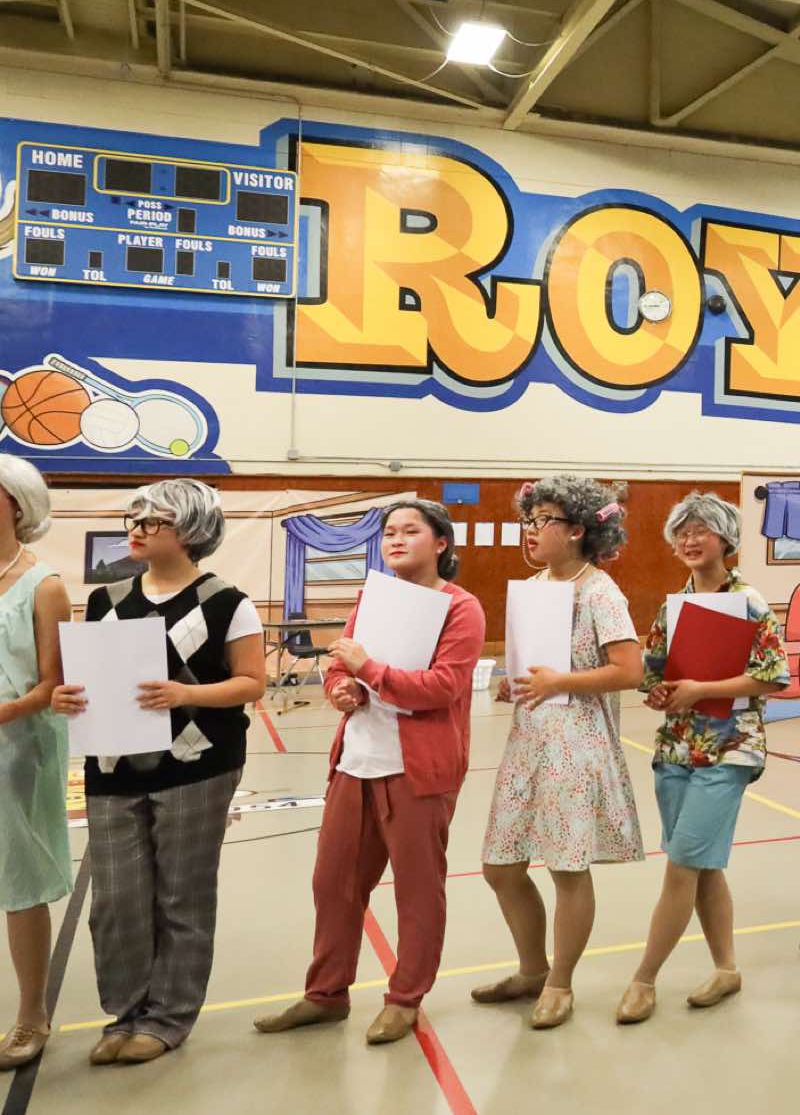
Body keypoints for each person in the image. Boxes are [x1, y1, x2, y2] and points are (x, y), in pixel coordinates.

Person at [254, 501, 483, 1046]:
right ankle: (325, 995)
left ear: (441, 543)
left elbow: (442, 688)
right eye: (389, 532)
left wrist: (368, 669)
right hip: (355, 764)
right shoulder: (372, 597)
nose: (396, 539)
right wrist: (341, 686)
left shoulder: (461, 608)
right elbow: (341, 664)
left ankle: (405, 999)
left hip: (417, 772)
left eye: (411, 531)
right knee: (333, 883)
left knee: (417, 892)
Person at [67, 479, 265, 1065]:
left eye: (152, 521)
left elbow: (252, 682)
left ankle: (169, 1017)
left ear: (190, 530)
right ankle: (125, 1013)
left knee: (182, 896)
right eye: (133, 518)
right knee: (115, 901)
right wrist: (67, 696)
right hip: (111, 765)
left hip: (198, 767)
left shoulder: (228, 601)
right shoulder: (105, 600)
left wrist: (186, 693)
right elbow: (90, 680)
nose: (136, 529)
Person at [474, 478, 643, 1029]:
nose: (531, 530)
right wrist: (516, 685)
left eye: (543, 520)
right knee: (500, 865)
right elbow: (534, 668)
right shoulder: (532, 588)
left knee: (568, 867)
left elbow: (630, 671)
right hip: (529, 742)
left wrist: (560, 681)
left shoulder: (600, 592)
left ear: (577, 531)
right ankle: (532, 970)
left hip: (577, 743)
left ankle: (560, 983)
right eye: (529, 519)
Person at [619, 493, 787, 1024]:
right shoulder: (675, 605)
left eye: (701, 531)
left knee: (683, 862)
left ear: (725, 538)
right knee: (704, 866)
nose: (690, 540)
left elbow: (773, 676)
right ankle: (727, 968)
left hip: (730, 749)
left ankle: (643, 979)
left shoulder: (749, 601)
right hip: (676, 747)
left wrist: (702, 689)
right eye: (682, 533)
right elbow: (653, 673)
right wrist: (661, 693)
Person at [0, 456, 71, 1071]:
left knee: (19, 884)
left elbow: (54, 683)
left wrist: (7, 710)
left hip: (18, 750)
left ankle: (32, 1014)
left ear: (16, 505)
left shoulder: (44, 585)